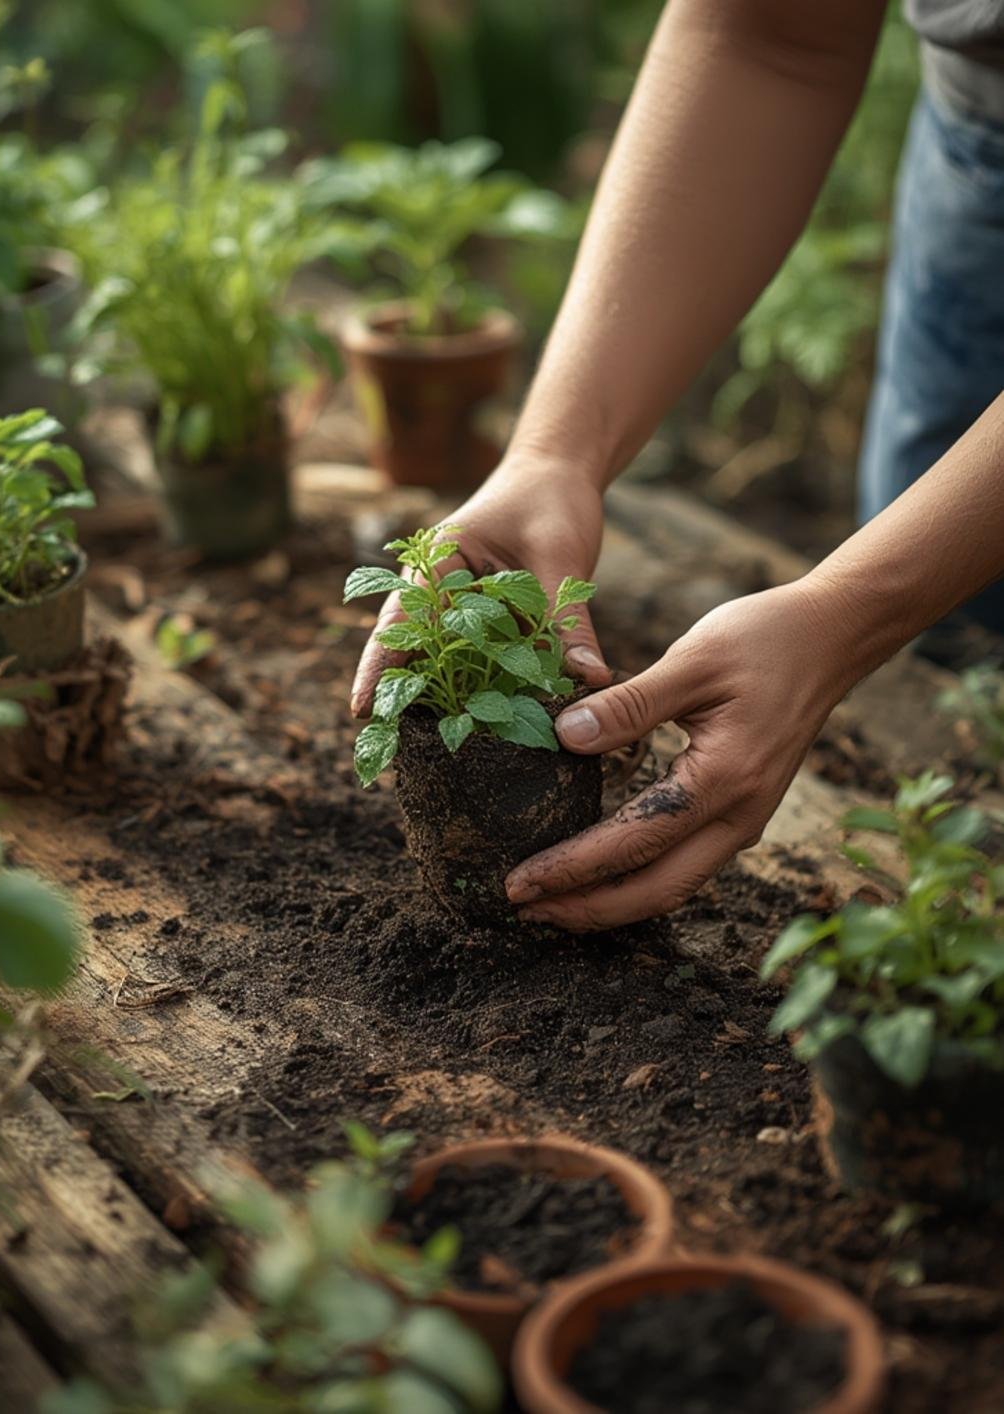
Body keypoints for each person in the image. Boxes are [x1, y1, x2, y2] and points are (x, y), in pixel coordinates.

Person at [350, 0, 1004, 933]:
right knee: (957, 663)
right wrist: (556, 452)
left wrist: (847, 615)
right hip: (984, 129)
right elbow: (770, 32)